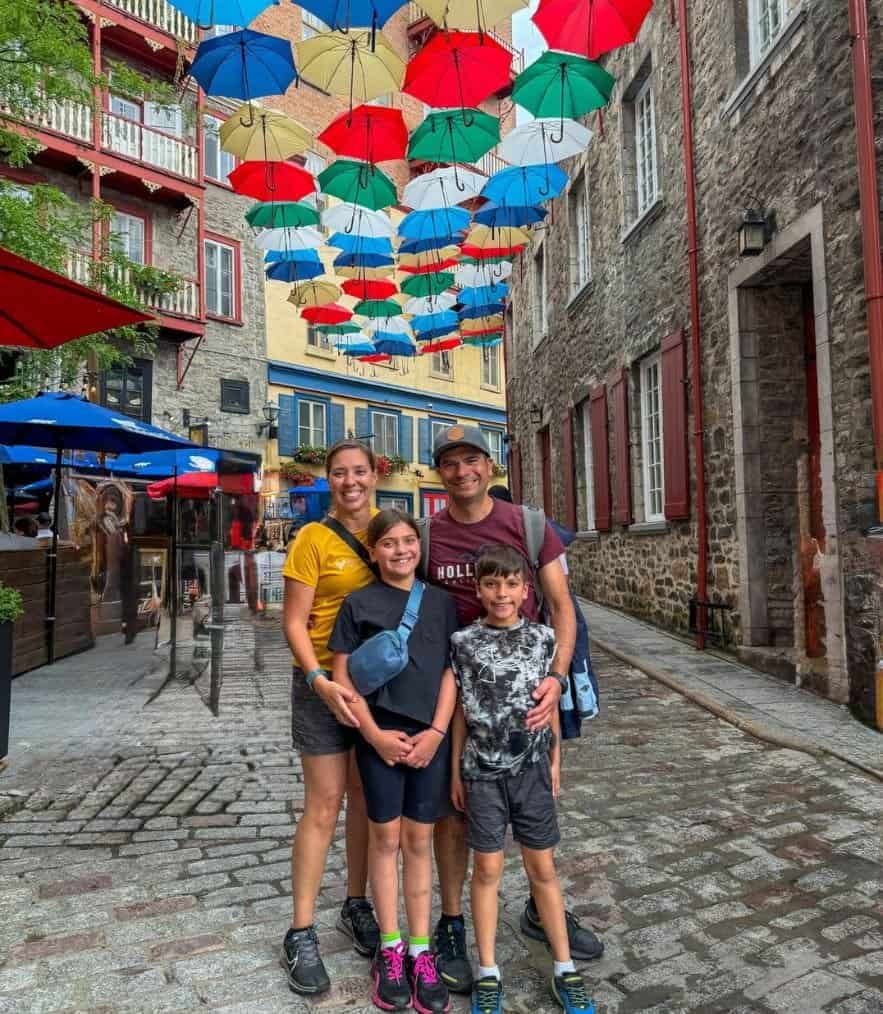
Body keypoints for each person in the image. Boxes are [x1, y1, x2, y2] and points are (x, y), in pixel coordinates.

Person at [422, 425, 602, 994]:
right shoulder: (428, 534)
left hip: (529, 686)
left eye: (471, 458)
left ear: (490, 465)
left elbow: (560, 607)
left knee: (536, 802)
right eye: (449, 462)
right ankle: (453, 924)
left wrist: (555, 678)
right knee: (456, 814)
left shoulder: (527, 524)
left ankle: (538, 909)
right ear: (439, 472)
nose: (461, 470)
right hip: (455, 688)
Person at [450, 546, 594, 1014]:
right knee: (487, 871)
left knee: (543, 869)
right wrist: (457, 767)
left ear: (526, 591)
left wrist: (556, 760)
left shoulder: (543, 640)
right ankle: (489, 970)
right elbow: (458, 712)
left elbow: (548, 703)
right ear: (478, 589)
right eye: (491, 584)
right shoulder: (463, 643)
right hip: (483, 772)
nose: (501, 593)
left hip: (531, 770)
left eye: (511, 584)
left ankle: (564, 967)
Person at [330, 510, 458, 1013]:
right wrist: (375, 735)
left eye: (409, 541)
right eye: (389, 543)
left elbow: (451, 672)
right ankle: (390, 946)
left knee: (419, 840)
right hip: (378, 734)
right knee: (384, 838)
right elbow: (344, 676)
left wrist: (437, 733)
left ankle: (422, 950)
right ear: (372, 551)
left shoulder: (442, 604)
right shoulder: (358, 603)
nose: (401, 550)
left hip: (430, 737)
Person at [280, 440, 382, 995]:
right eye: (340, 473)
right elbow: (294, 621)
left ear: (374, 475)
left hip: (375, 689)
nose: (350, 482)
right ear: (330, 481)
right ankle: (300, 931)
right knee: (323, 805)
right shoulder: (312, 539)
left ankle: (357, 902)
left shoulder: (393, 528)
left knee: (366, 799)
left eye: (359, 472)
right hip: (321, 684)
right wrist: (319, 680)